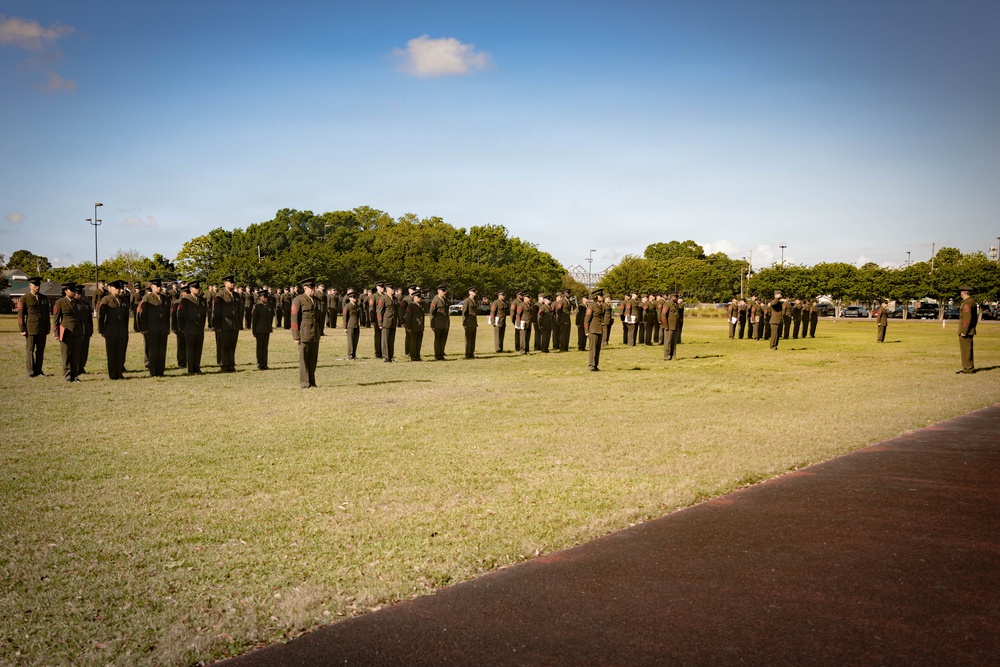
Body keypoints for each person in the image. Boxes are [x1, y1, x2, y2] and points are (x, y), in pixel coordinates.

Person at [18, 276, 50, 377]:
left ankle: (39, 370)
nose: (37, 287)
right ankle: (31, 371)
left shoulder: (43, 298)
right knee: (30, 350)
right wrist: (22, 329)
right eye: (35, 285)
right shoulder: (25, 298)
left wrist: (48, 327)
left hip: (42, 328)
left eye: (38, 285)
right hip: (31, 328)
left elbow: (46, 314)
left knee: (40, 350)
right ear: (30, 286)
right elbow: (20, 316)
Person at [291, 277, 321, 388]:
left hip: (314, 333)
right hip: (304, 333)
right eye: (311, 288)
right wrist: (296, 335)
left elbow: (318, 317)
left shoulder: (317, 300)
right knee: (304, 359)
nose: (313, 290)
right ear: (305, 288)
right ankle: (304, 382)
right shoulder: (298, 300)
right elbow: (294, 318)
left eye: (314, 288)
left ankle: (312, 382)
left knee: (313, 359)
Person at [138, 278, 171, 376]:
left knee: (162, 350)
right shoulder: (147, 298)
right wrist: (144, 328)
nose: (159, 288)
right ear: (152, 287)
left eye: (160, 286)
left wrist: (167, 327)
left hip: (163, 328)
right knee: (153, 351)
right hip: (152, 328)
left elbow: (167, 314)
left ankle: (161, 371)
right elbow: (142, 314)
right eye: (157, 286)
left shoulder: (165, 298)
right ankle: (153, 371)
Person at [97, 280, 129, 379]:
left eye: (120, 288)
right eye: (116, 288)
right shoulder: (106, 299)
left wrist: (126, 330)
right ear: (110, 288)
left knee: (120, 353)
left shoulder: (124, 300)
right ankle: (113, 374)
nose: (118, 290)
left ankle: (119, 372)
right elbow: (101, 316)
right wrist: (102, 330)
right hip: (111, 330)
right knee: (111, 353)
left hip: (121, 330)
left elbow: (126, 317)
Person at [51, 282, 82, 382]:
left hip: (76, 331)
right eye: (71, 290)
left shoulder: (77, 302)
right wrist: (56, 333)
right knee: (66, 354)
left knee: (76, 354)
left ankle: (75, 375)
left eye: (74, 290)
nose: (73, 292)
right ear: (65, 291)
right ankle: (68, 375)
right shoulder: (60, 302)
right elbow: (56, 319)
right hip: (66, 332)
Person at [177, 281, 207, 374]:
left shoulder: (202, 300)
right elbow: (180, 315)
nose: (197, 289)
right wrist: (182, 328)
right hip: (189, 328)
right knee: (190, 350)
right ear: (190, 289)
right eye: (195, 288)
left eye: (198, 288)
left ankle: (197, 367)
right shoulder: (186, 300)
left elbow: (204, 315)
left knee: (198, 349)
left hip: (199, 328)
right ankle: (190, 368)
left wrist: (202, 326)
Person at [213, 276, 241, 372]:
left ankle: (231, 365)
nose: (232, 284)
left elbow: (238, 310)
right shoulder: (220, 295)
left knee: (232, 346)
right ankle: (224, 365)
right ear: (225, 283)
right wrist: (218, 326)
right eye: (230, 282)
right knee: (224, 346)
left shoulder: (237, 295)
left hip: (234, 324)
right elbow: (216, 312)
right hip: (224, 324)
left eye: (233, 282)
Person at [957, 286, 978, 374]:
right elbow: (975, 318)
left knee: (966, 350)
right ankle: (968, 367)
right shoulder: (972, 302)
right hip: (970, 330)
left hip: (966, 331)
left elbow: (967, 319)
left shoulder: (967, 303)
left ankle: (968, 368)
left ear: (962, 293)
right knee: (968, 350)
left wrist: (964, 331)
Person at [252, 289, 273, 370]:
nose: (266, 298)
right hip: (259, 330)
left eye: (267, 296)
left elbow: (270, 318)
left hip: (267, 329)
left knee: (265, 347)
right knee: (260, 347)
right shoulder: (257, 306)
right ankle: (260, 363)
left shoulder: (268, 306)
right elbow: (254, 320)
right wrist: (254, 331)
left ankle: (265, 364)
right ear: (260, 297)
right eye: (265, 296)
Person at [377, 282, 398, 363]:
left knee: (391, 340)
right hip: (386, 321)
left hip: (393, 321)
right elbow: (379, 311)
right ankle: (385, 356)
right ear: (388, 289)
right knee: (385, 340)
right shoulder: (383, 298)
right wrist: (380, 323)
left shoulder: (395, 298)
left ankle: (391, 356)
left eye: (393, 289)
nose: (393, 290)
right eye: (391, 289)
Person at [584, 289, 604, 370]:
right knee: (593, 349)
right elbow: (586, 319)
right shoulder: (591, 306)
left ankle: (595, 365)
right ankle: (591, 365)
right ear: (595, 296)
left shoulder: (600, 306)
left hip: (599, 329)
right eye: (600, 295)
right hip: (593, 330)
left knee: (598, 349)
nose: (602, 296)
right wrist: (586, 331)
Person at [429, 284, 450, 360]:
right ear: (438, 291)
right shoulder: (435, 300)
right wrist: (432, 324)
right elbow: (432, 313)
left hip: (445, 323)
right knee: (438, 340)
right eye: (443, 291)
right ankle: (437, 355)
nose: (444, 292)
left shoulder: (445, 300)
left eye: (445, 291)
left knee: (443, 339)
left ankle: (441, 353)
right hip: (438, 323)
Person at [405, 291, 426, 361]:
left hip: (420, 327)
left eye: (420, 297)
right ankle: (413, 356)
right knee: (413, 343)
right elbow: (408, 317)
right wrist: (408, 327)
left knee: (419, 342)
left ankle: (418, 356)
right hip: (413, 327)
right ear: (414, 297)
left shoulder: (420, 305)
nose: (420, 298)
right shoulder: (411, 306)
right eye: (418, 297)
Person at [661, 293, 680, 361]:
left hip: (675, 325)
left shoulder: (676, 304)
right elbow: (663, 315)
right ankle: (666, 356)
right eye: (676, 297)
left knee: (674, 342)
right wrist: (665, 326)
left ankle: (673, 355)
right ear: (672, 297)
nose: (677, 298)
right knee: (668, 341)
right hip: (669, 326)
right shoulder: (667, 304)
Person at [461, 287, 479, 359]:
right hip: (468, 322)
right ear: (469, 292)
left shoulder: (474, 300)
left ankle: (471, 353)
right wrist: (464, 323)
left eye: (475, 291)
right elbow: (464, 312)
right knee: (468, 339)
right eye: (473, 291)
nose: (475, 293)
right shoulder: (467, 301)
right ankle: (468, 353)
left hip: (474, 322)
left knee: (473, 339)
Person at [343, 288, 360, 359]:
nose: (355, 298)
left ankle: (354, 354)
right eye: (353, 297)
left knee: (355, 340)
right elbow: (344, 317)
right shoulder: (347, 306)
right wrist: (345, 327)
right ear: (349, 298)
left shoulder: (357, 306)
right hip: (350, 325)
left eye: (355, 297)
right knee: (350, 341)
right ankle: (350, 354)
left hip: (356, 325)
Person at [371, 282, 385, 359]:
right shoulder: (374, 296)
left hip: (385, 318)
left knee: (384, 336)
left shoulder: (384, 295)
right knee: (378, 336)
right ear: (377, 287)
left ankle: (384, 352)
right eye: (380, 287)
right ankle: (378, 352)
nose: (382, 288)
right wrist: (372, 320)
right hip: (377, 318)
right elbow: (371, 309)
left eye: (383, 287)